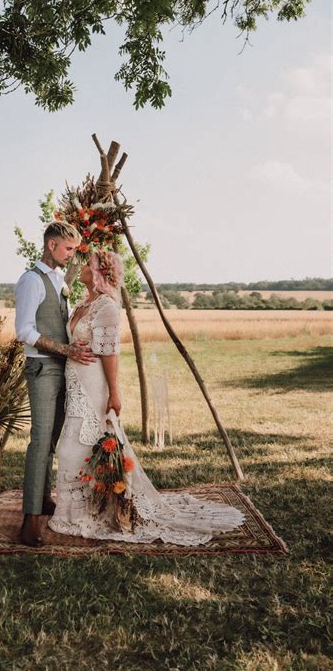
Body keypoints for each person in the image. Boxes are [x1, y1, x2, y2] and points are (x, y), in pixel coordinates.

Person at [48, 250, 245, 545]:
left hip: (93, 385)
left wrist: (114, 392)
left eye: (87, 264)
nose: (82, 266)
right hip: (74, 383)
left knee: (73, 448)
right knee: (74, 446)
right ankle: (77, 511)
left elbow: (110, 352)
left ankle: (83, 514)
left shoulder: (107, 307)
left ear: (100, 272)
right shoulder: (83, 301)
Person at [15, 221, 96, 547]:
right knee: (39, 440)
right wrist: (65, 349)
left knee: (51, 439)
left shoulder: (59, 280)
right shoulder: (30, 281)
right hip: (42, 370)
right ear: (51, 245)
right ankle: (29, 520)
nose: (72, 254)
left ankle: (43, 500)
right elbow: (23, 331)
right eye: (68, 248)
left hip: (63, 369)